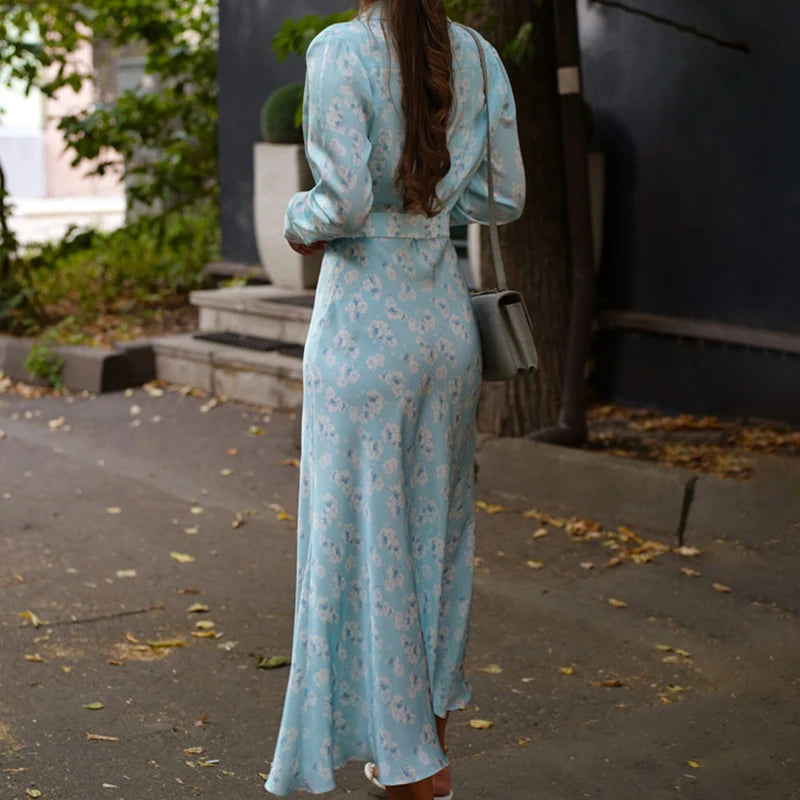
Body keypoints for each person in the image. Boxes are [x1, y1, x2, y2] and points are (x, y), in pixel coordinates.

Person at [264, 1, 525, 798]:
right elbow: (502, 198)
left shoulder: (340, 50)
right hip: (444, 326)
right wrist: (430, 207)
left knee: (357, 542)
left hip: (362, 332)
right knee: (436, 541)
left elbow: (340, 206)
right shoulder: (477, 55)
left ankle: (411, 767)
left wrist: (296, 219)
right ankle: (421, 748)